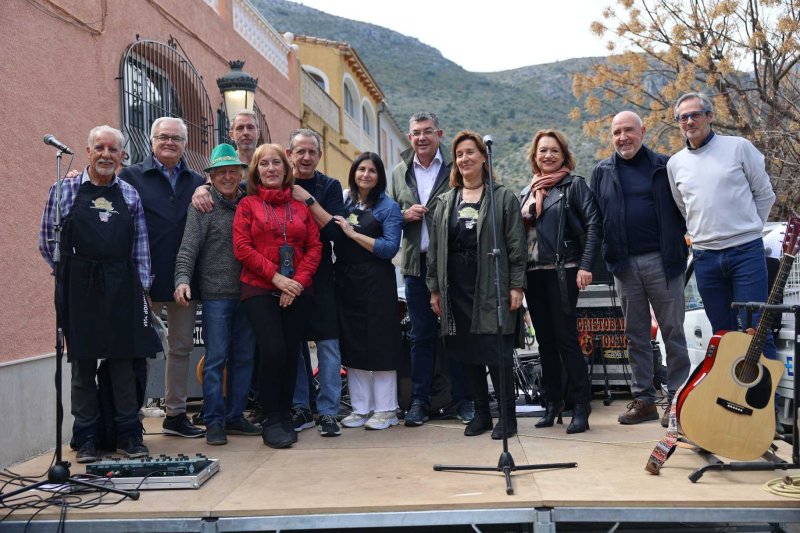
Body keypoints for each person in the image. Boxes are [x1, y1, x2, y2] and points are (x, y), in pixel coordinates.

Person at [38, 125, 156, 462]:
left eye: (113, 149)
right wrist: (66, 275)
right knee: (83, 365)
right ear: (88, 152)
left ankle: (129, 434)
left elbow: (141, 245)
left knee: (123, 362)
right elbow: (47, 240)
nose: (106, 154)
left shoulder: (130, 195)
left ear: (122, 156)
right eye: (100, 148)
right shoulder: (63, 189)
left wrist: (143, 286)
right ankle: (86, 437)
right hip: (79, 286)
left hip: (123, 284)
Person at [591, 111, 691, 428]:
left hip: (665, 262)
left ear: (643, 131)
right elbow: (596, 217)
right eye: (617, 132)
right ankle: (645, 401)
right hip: (624, 265)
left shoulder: (665, 166)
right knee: (635, 336)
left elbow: (685, 208)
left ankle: (677, 402)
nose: (623, 137)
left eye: (629, 130)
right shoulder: (602, 172)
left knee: (673, 333)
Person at [427, 131, 526, 439]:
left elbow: (516, 245)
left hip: (490, 287)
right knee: (466, 353)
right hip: (455, 288)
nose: (465, 159)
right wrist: (434, 288)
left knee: (497, 353)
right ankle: (481, 414)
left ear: (484, 157)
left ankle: (507, 417)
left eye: (471, 152)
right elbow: (434, 250)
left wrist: (516, 286)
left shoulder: (502, 197)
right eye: (459, 154)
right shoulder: (445, 201)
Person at [294, 153, 404, 430]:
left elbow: (389, 248)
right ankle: (360, 408)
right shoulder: (345, 201)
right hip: (345, 279)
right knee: (353, 345)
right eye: (361, 169)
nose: (366, 175)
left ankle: (386, 409)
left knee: (380, 345)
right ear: (354, 173)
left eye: (372, 171)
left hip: (376, 280)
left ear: (379, 176)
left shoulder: (388, 207)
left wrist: (354, 235)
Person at [667, 92, 776, 358]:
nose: (689, 121)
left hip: (745, 255)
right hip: (705, 259)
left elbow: (764, 194)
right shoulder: (675, 164)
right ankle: (728, 398)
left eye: (695, 114)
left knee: (756, 331)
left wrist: (747, 229)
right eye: (683, 117)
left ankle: (766, 400)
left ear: (710, 116)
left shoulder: (739, 147)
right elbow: (685, 208)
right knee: (722, 337)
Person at [118, 116, 206, 439]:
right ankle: (131, 416)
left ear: (185, 144)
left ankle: (176, 414)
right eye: (163, 137)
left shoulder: (198, 181)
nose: (169, 142)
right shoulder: (130, 176)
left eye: (176, 138)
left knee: (181, 348)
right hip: (143, 280)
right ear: (151, 141)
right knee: (138, 348)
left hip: (185, 279)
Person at [233, 143, 322, 448]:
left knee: (290, 353)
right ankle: (272, 416)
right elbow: (242, 247)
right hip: (259, 287)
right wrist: (277, 279)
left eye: (276, 163)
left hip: (298, 288)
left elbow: (315, 247)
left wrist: (295, 282)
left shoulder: (301, 207)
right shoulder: (247, 205)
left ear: (286, 170)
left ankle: (285, 414)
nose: (271, 169)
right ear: (256, 172)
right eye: (264, 164)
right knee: (272, 350)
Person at [389, 112, 474, 427]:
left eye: (427, 132)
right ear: (410, 138)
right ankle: (419, 402)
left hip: (452, 263)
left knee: (455, 334)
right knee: (421, 335)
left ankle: (464, 400)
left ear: (439, 134)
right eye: (415, 133)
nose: (421, 138)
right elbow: (387, 215)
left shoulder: (455, 168)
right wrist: (402, 215)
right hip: (415, 264)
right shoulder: (399, 172)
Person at [174, 144, 261, 446]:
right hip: (216, 296)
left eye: (232, 171)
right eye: (220, 172)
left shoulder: (250, 201)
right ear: (210, 177)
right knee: (215, 359)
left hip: (250, 293)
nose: (227, 177)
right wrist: (182, 280)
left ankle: (235, 416)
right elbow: (188, 248)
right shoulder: (203, 205)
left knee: (244, 358)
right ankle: (214, 421)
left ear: (241, 174)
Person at [520, 129, 600, 434]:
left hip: (562, 270)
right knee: (546, 343)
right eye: (542, 151)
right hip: (533, 274)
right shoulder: (529, 190)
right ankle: (553, 404)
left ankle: (581, 406)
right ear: (535, 156)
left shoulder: (574, 185)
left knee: (566, 340)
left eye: (554, 150)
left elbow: (594, 225)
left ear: (563, 155)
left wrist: (585, 265)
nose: (548, 156)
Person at [284, 129, 345, 437]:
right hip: (286, 276)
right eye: (300, 152)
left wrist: (306, 199)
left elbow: (335, 232)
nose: (306, 157)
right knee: (293, 344)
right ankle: (300, 408)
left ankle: (330, 411)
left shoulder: (329, 186)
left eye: (311, 152)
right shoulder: (277, 182)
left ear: (319, 156)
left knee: (328, 345)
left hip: (321, 275)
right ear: (289, 154)